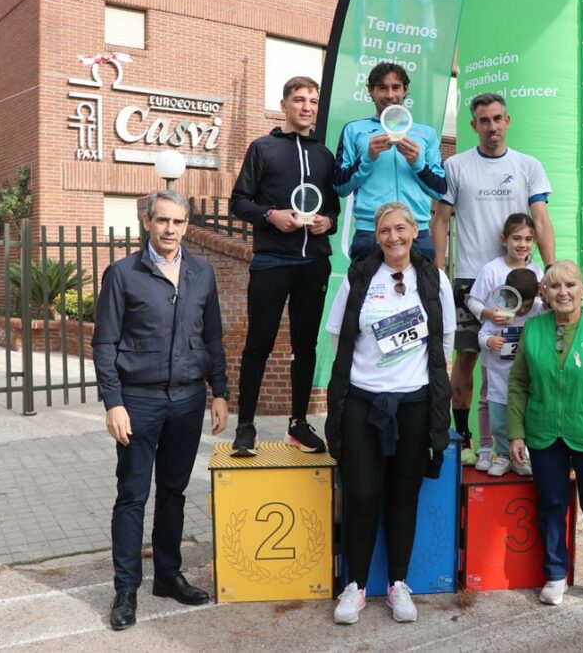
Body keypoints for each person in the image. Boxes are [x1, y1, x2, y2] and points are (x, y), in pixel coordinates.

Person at [92, 190, 229, 631]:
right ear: (147, 222)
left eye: (179, 222)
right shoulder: (123, 274)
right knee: (133, 494)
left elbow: (212, 339)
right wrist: (113, 402)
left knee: (173, 491)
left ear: (187, 226)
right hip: (139, 401)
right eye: (163, 221)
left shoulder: (202, 273)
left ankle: (168, 576)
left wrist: (219, 392)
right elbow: (105, 344)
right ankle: (126, 589)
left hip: (188, 400)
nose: (170, 229)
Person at [324, 202, 455, 625]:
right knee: (361, 494)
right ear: (376, 235)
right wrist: (365, 378)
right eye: (384, 230)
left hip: (414, 404)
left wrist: (420, 381)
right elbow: (336, 335)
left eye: (400, 229)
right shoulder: (360, 276)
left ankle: (399, 585)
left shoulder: (434, 279)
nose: (393, 237)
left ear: (414, 231)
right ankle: (355, 587)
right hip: (364, 403)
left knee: (404, 496)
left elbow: (445, 338)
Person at [429, 92, 555, 465]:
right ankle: (466, 437)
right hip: (472, 280)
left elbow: (542, 220)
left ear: (508, 121)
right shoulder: (456, 166)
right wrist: (439, 272)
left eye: (498, 118)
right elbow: (440, 220)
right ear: (473, 126)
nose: (493, 126)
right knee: (466, 359)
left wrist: (549, 272)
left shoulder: (528, 165)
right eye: (484, 120)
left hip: (522, 281)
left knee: (524, 359)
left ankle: (518, 442)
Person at [506, 260, 583, 610]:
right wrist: (516, 432)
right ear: (543, 293)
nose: (563, 293)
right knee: (551, 505)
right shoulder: (534, 330)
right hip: (544, 434)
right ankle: (555, 575)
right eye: (555, 286)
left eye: (570, 285)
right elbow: (518, 383)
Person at [228, 76, 339, 457]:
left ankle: (298, 424)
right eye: (299, 100)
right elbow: (239, 202)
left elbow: (333, 209)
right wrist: (271, 215)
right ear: (284, 104)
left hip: (314, 262)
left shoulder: (324, 155)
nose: (306, 107)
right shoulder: (263, 148)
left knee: (306, 345)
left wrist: (328, 222)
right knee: (259, 343)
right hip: (272, 259)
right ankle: (245, 426)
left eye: (312, 100)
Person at [334, 62, 446, 261]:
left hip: (416, 231)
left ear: (405, 90)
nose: (390, 95)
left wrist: (418, 164)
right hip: (371, 232)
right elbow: (340, 186)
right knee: (365, 292)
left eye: (396, 87)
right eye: (382, 88)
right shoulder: (354, 130)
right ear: (371, 91)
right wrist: (367, 158)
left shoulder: (426, 133)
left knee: (422, 292)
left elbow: (439, 189)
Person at [468, 213, 544, 471]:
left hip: (524, 363)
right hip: (496, 357)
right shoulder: (491, 270)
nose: (522, 244)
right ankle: (489, 449)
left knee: (521, 404)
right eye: (516, 238)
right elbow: (473, 301)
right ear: (504, 240)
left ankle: (517, 453)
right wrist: (490, 316)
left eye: (528, 239)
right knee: (490, 399)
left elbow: (545, 308)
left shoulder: (536, 271)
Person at [477, 267, 543, 476]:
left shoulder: (540, 310)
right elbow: (482, 333)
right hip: (499, 380)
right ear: (507, 294)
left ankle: (521, 457)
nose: (522, 311)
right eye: (517, 305)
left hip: (528, 383)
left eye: (527, 305)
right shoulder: (499, 312)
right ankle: (503, 455)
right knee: (499, 420)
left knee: (527, 419)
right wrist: (489, 341)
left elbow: (555, 313)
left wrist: (545, 295)